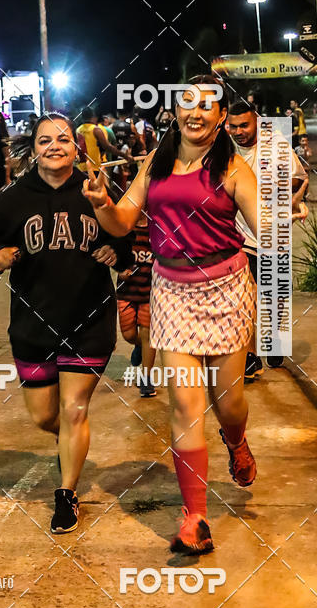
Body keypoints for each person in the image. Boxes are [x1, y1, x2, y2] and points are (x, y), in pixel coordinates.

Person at [83, 75, 259, 555]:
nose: (196, 113)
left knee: (229, 405)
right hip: (172, 290)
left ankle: (237, 440)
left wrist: (282, 218)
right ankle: (195, 516)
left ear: (221, 117)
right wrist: (101, 203)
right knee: (183, 406)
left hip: (226, 289)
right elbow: (122, 220)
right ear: (175, 111)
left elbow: (263, 222)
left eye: (208, 106)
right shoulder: (155, 164)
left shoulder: (234, 168)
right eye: (188, 104)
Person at [0, 113, 132, 534]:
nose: (55, 146)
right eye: (45, 140)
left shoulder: (95, 190)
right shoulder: (13, 198)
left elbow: (125, 236)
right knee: (46, 417)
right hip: (32, 325)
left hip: (90, 317)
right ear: (35, 148)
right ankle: (71, 441)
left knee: (75, 408)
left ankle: (66, 494)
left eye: (63, 138)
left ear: (76, 145)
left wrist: (118, 254)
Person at [227, 101, 308, 373]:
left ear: (257, 122)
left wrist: (290, 201)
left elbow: (299, 179)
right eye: (233, 126)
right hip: (241, 238)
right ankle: (250, 356)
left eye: (243, 125)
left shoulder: (277, 148)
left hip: (275, 235)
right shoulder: (226, 151)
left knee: (273, 296)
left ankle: (273, 340)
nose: (238, 132)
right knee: (246, 297)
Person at [116, 212, 156, 397]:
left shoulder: (156, 228)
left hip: (150, 292)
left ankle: (146, 379)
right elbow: (113, 253)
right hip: (127, 291)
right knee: (129, 334)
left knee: (148, 334)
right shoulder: (125, 228)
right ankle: (138, 345)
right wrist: (119, 269)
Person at [76, 107, 122, 171]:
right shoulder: (96, 130)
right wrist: (125, 156)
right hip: (95, 167)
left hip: (81, 169)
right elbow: (107, 147)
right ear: (93, 116)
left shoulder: (77, 130)